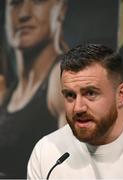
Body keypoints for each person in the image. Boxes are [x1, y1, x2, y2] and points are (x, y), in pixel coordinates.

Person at [27, 43, 123, 179]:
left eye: (90, 93)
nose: (78, 108)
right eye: (70, 95)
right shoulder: (47, 153)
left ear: (120, 94)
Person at [0, 0, 68, 178]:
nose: (23, 14)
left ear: (60, 9)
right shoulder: (8, 91)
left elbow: (72, 166)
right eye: (15, 3)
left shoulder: (60, 78)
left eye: (38, 1)